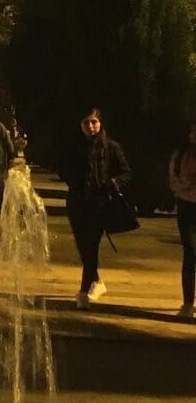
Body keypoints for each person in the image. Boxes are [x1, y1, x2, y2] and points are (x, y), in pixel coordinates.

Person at [57, 109, 131, 310]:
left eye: (94, 122)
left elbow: (126, 172)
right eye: (86, 123)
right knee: (83, 248)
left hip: (99, 204)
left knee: (91, 246)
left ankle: (83, 293)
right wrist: (73, 179)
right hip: (77, 202)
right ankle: (96, 280)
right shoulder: (74, 147)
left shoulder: (111, 147)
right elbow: (62, 167)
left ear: (100, 123)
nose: (90, 127)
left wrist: (112, 182)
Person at [171, 122, 196, 320]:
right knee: (190, 251)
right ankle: (188, 303)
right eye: (193, 131)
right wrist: (183, 186)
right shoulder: (181, 154)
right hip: (186, 205)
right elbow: (173, 177)